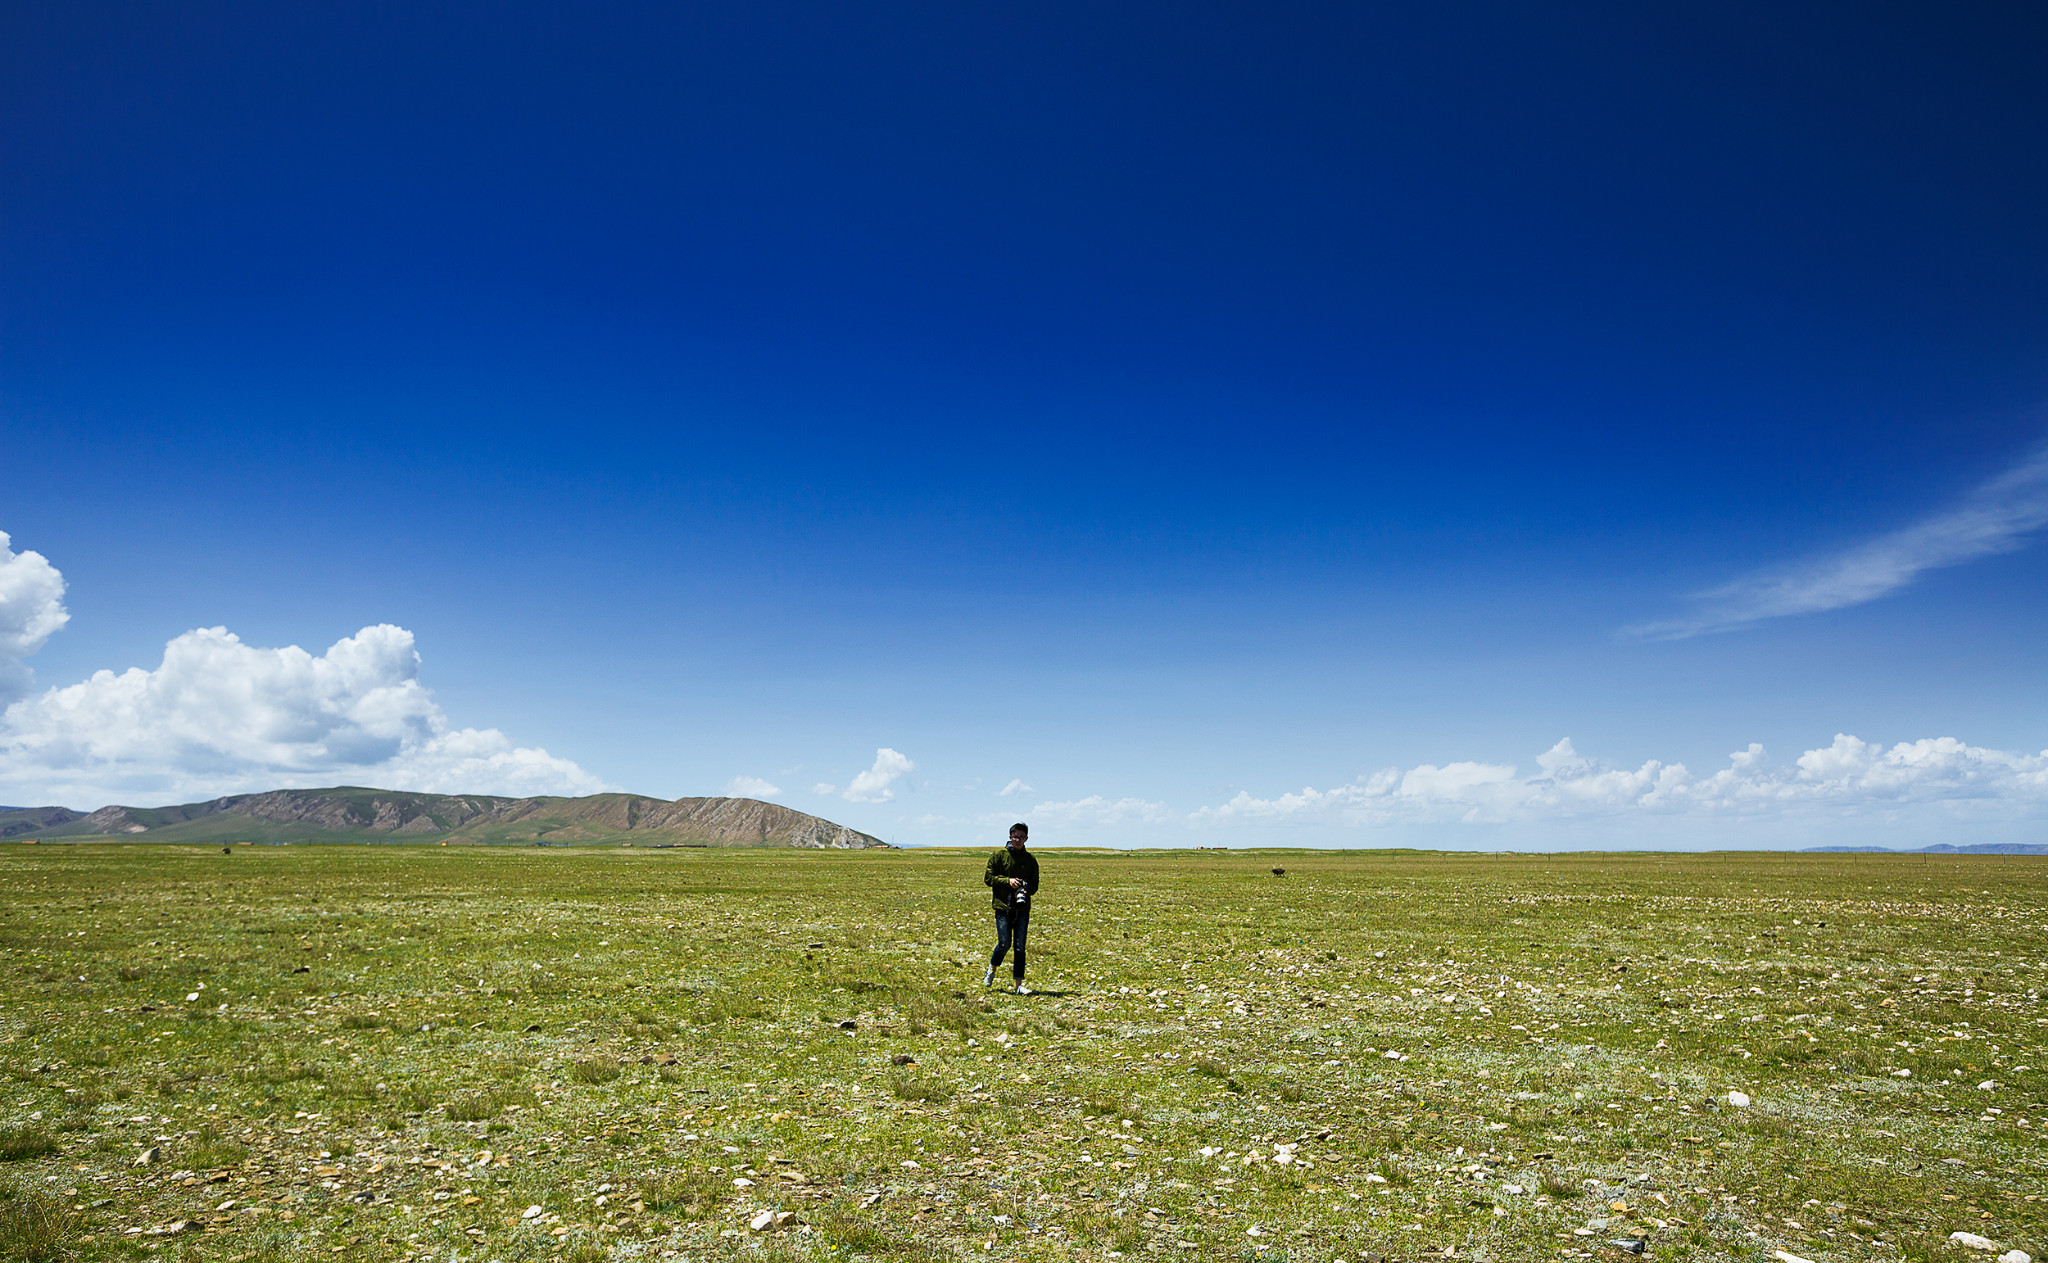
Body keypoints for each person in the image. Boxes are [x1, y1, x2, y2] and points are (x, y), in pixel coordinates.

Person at [982, 822, 1039, 995]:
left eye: (1021, 837)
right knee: (1004, 943)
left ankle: (1018, 985)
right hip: (1002, 907)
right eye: (1015, 836)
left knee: (1020, 946)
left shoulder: (1030, 860)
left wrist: (1025, 888)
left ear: (1026, 838)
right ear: (1009, 837)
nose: (1018, 840)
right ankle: (991, 969)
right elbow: (988, 878)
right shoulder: (999, 856)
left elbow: (1035, 887)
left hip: (1022, 909)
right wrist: (1007, 881)